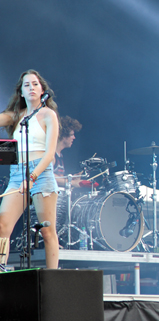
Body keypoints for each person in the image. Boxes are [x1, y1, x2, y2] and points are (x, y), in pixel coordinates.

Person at [0, 70, 60, 269]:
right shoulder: (18, 116)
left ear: (42, 89)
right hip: (17, 174)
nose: (31, 88)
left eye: (35, 84)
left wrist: (32, 177)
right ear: (21, 92)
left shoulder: (48, 115)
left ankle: (53, 278)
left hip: (40, 172)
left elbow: (50, 154)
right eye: (27, 85)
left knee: (47, 231)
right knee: (2, 226)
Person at [54, 116, 82, 187]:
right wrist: (72, 182)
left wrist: (70, 178)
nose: (74, 137)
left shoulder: (60, 155)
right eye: (72, 135)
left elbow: (57, 177)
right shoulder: (51, 155)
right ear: (63, 136)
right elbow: (48, 176)